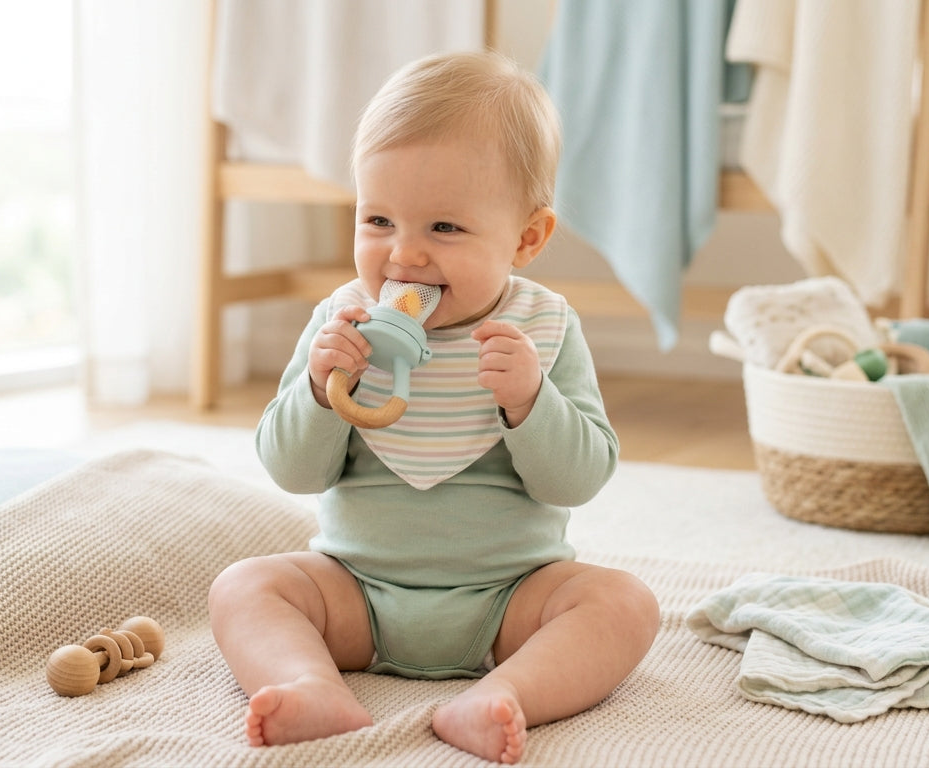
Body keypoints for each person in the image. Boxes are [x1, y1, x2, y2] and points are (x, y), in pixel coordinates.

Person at [208, 50, 660, 765]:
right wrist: (323, 392)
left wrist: (531, 402)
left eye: (444, 229)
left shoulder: (542, 329)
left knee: (625, 604)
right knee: (245, 586)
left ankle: (504, 693)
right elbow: (291, 471)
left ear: (526, 238)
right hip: (356, 592)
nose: (403, 256)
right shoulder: (344, 321)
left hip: (511, 598)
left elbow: (577, 481)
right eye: (379, 220)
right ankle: (307, 684)